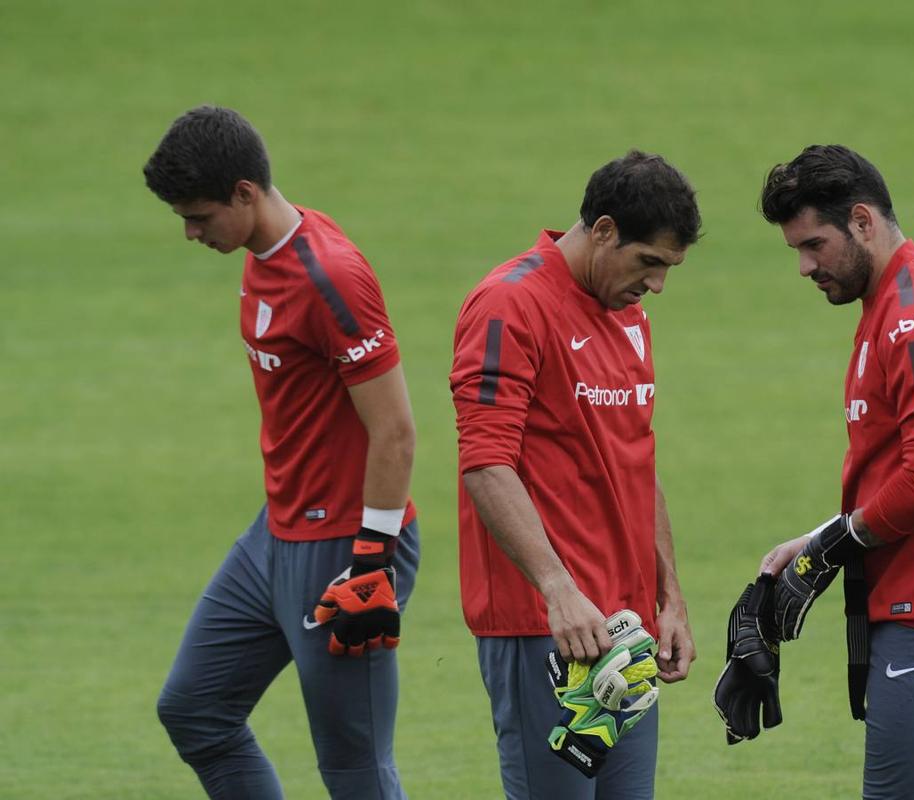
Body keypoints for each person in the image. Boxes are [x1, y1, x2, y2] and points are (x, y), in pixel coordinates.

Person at [719, 144, 914, 799]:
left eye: (814, 245)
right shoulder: (890, 307)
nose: (804, 267)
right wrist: (818, 540)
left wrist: (831, 548)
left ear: (862, 221)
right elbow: (904, 470)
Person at [144, 105, 420, 800]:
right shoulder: (263, 253)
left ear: (245, 193)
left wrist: (371, 560)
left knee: (354, 767)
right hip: (276, 534)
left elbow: (395, 430)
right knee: (194, 711)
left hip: (343, 547)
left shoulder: (331, 277)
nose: (189, 232)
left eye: (199, 216)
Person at [450, 150, 702, 800]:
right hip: (546, 629)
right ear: (605, 230)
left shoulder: (629, 317)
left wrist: (668, 596)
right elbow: (486, 463)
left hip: (624, 631)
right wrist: (557, 589)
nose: (658, 285)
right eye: (649, 263)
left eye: (669, 269)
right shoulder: (510, 306)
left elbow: (634, 464)